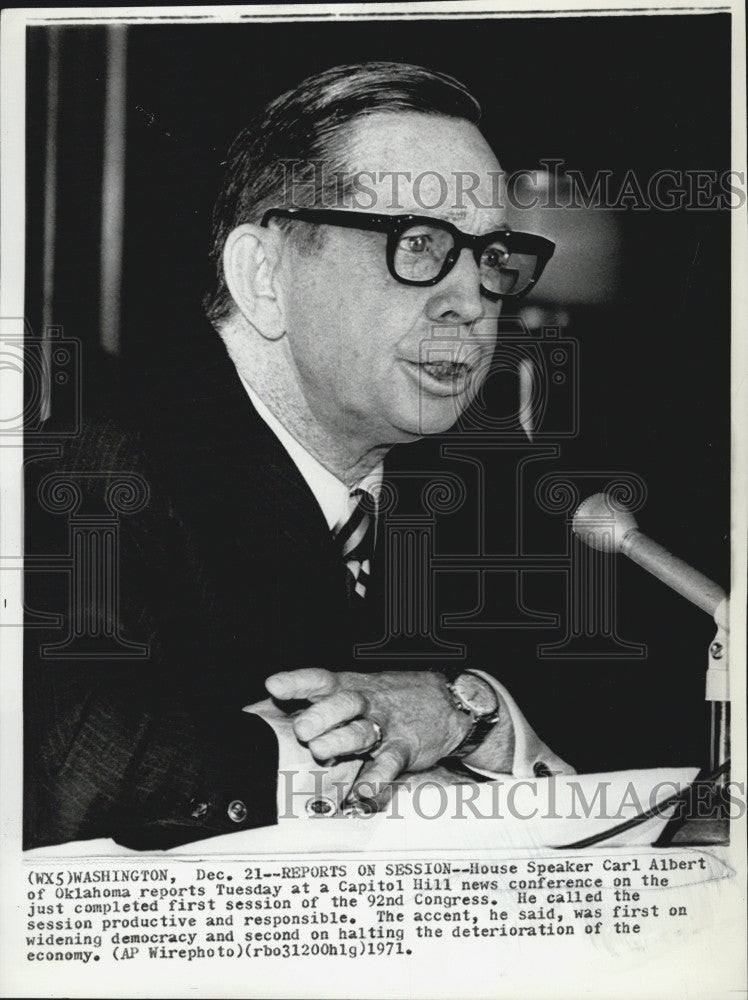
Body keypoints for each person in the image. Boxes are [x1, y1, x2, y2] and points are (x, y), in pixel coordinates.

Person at [24, 61, 572, 851]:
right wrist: (350, 747)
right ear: (265, 276)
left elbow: (630, 714)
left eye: (490, 255)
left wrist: (470, 712)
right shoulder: (92, 459)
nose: (471, 299)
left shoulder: (490, 470)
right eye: (420, 243)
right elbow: (65, 761)